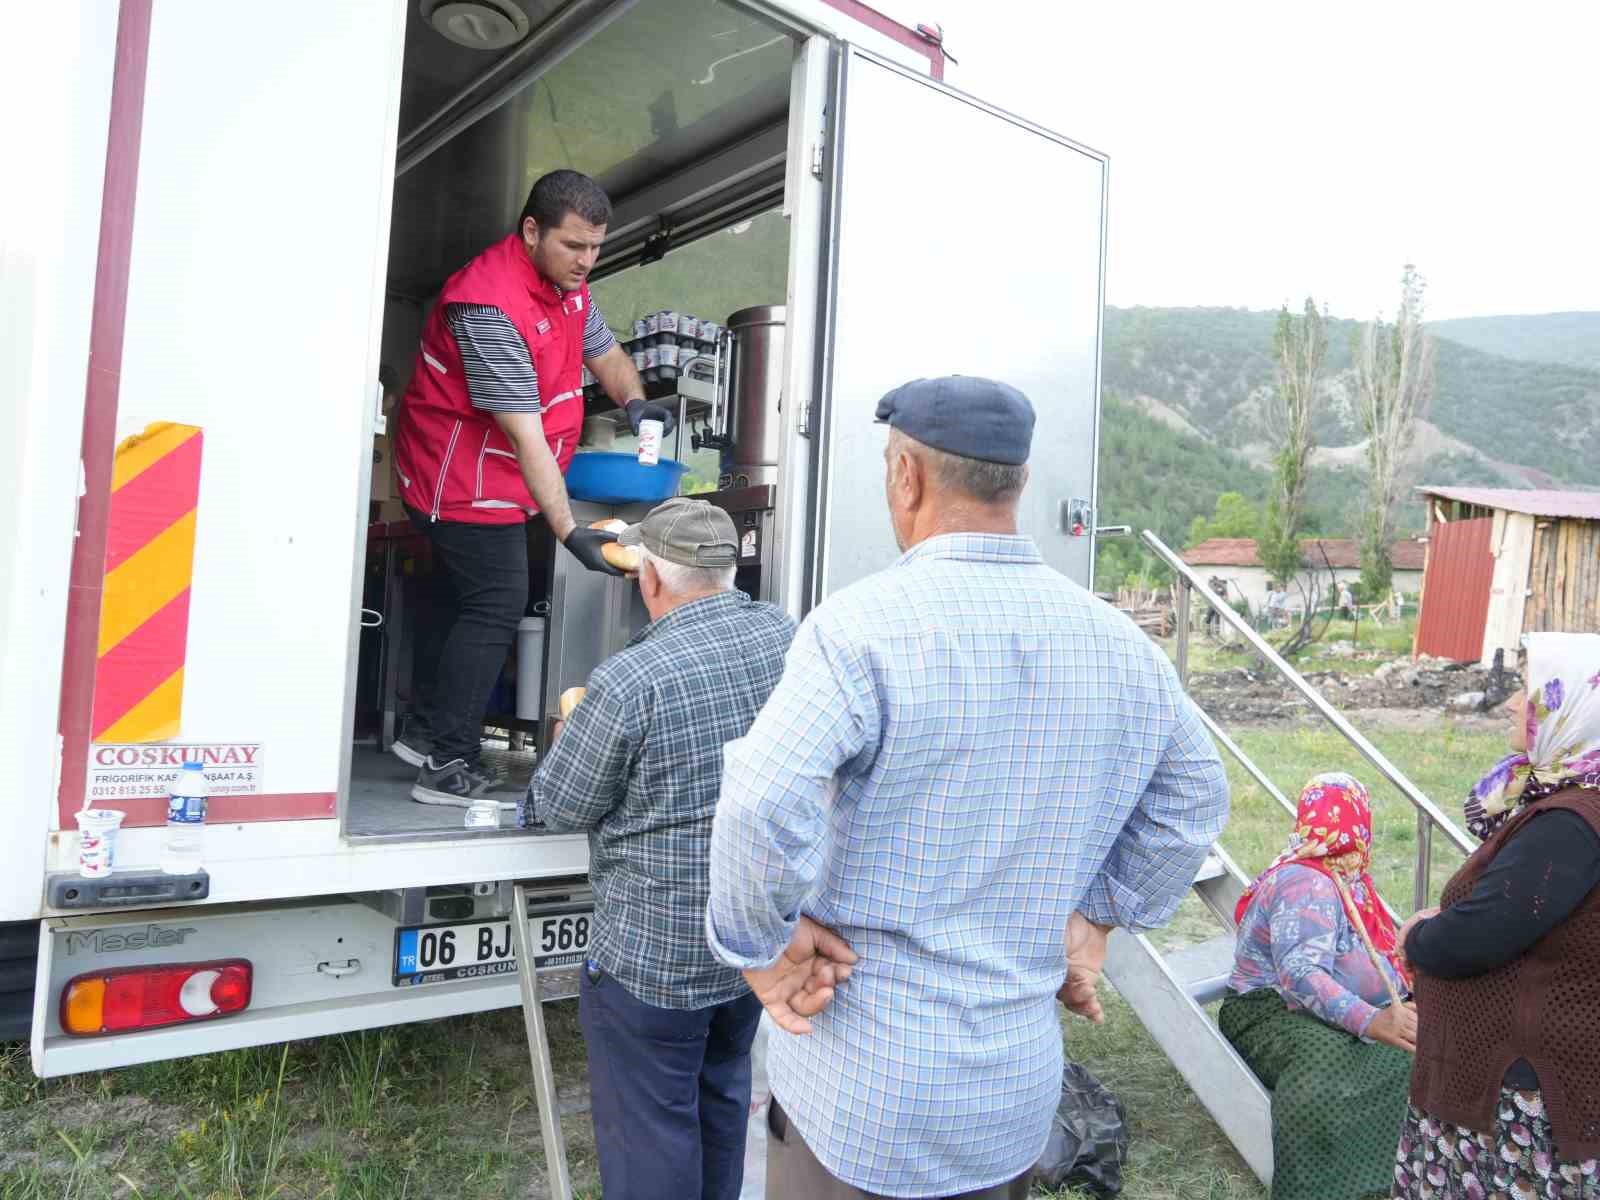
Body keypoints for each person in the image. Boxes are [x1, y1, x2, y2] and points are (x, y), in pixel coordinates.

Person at [704, 376, 1231, 1200]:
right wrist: (1094, 919)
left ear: (907, 475)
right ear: (1015, 484)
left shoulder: (860, 628)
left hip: (865, 1097)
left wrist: (762, 949)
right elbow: (1193, 797)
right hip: (1009, 1106)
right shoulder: (1122, 647)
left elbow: (760, 804)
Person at [523, 498, 795, 1200]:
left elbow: (560, 806)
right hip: (751, 945)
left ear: (649, 581)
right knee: (722, 1098)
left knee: (651, 1132)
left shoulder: (628, 682)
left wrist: (568, 728)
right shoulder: (786, 638)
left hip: (654, 963)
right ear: (731, 571)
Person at [391, 169, 677, 806]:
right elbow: (524, 433)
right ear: (531, 231)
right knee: (497, 600)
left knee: (462, 597)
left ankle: (424, 729)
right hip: (457, 474)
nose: (587, 260)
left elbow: (603, 354)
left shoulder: (567, 286)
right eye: (574, 246)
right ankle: (446, 764)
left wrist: (636, 403)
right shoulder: (487, 305)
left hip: (507, 474)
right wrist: (570, 530)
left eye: (596, 247)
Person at [1393, 632, 1600, 1200]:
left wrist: (1421, 936)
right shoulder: (1570, 802)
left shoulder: (1571, 823)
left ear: (1574, 709)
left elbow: (1481, 936)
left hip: (1520, 1097)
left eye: (1530, 691)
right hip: (1510, 1080)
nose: (1511, 702)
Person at [1219, 772, 1416, 1200]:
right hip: (1265, 1009)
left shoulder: (1348, 878)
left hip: (1304, 1004)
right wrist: (1372, 1021)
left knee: (1404, 1051)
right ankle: (1317, 1188)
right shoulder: (1306, 881)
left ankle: (1382, 1179)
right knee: (1327, 1063)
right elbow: (1301, 977)